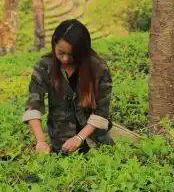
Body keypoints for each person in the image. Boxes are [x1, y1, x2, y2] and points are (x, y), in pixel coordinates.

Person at [24, 20, 114, 155]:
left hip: (96, 140)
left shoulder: (98, 68)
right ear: (54, 44)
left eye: (72, 55)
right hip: (60, 142)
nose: (65, 59)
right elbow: (33, 106)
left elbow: (102, 112)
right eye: (61, 52)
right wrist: (41, 141)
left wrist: (79, 138)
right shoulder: (44, 66)